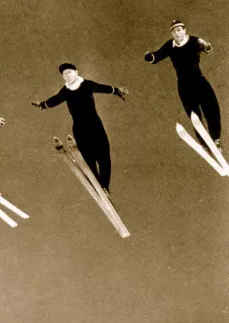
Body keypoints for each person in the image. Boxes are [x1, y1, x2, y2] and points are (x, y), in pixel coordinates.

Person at [32, 63, 128, 194]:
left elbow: (101, 87)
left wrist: (117, 90)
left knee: (103, 156)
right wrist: (42, 105)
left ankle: (104, 185)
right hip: (79, 128)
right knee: (88, 158)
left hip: (95, 126)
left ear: (76, 72)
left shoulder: (87, 85)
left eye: (69, 72)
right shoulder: (65, 91)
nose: (67, 76)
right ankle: (97, 184)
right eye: (64, 74)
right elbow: (55, 100)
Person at [145, 20, 222, 152]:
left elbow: (207, 48)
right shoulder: (170, 45)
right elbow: (157, 57)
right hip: (184, 85)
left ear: (184, 30)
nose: (177, 33)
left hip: (199, 81)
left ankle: (216, 139)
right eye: (174, 31)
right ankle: (204, 143)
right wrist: (149, 57)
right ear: (172, 34)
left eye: (179, 30)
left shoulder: (194, 41)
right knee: (194, 115)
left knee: (211, 108)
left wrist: (206, 45)